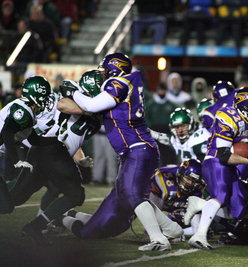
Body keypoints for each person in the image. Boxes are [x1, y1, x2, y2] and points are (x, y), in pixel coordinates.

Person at [57, 52, 183, 251]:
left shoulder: (119, 83)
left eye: (106, 69)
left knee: (133, 195)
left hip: (137, 150)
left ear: (114, 68)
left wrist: (72, 91)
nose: (104, 74)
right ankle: (172, 229)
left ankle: (159, 238)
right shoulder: (129, 84)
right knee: (125, 198)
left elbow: (89, 105)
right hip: (139, 149)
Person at [1, 72, 101, 244]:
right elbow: (63, 104)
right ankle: (38, 226)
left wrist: (80, 157)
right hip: (50, 152)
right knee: (75, 194)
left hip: (49, 149)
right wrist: (89, 109)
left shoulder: (98, 106)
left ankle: (39, 226)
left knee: (15, 199)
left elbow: (72, 136)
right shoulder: (76, 95)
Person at [188, 87, 248, 249]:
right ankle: (199, 235)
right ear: (243, 108)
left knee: (238, 209)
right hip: (216, 159)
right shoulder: (227, 117)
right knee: (221, 194)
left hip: (235, 164)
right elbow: (224, 155)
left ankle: (201, 205)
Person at [0, 76, 52, 215]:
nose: (46, 100)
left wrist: (59, 144)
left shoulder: (28, 111)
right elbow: (6, 132)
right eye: (44, 96)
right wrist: (16, 160)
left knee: (5, 205)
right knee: (5, 205)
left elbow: (35, 140)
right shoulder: (22, 111)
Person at [149, 159, 205, 235]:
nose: (190, 183)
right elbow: (152, 207)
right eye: (188, 179)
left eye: (194, 181)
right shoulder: (163, 176)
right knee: (150, 216)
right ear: (180, 174)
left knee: (199, 225)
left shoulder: (199, 186)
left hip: (180, 205)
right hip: (161, 202)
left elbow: (196, 213)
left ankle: (175, 224)